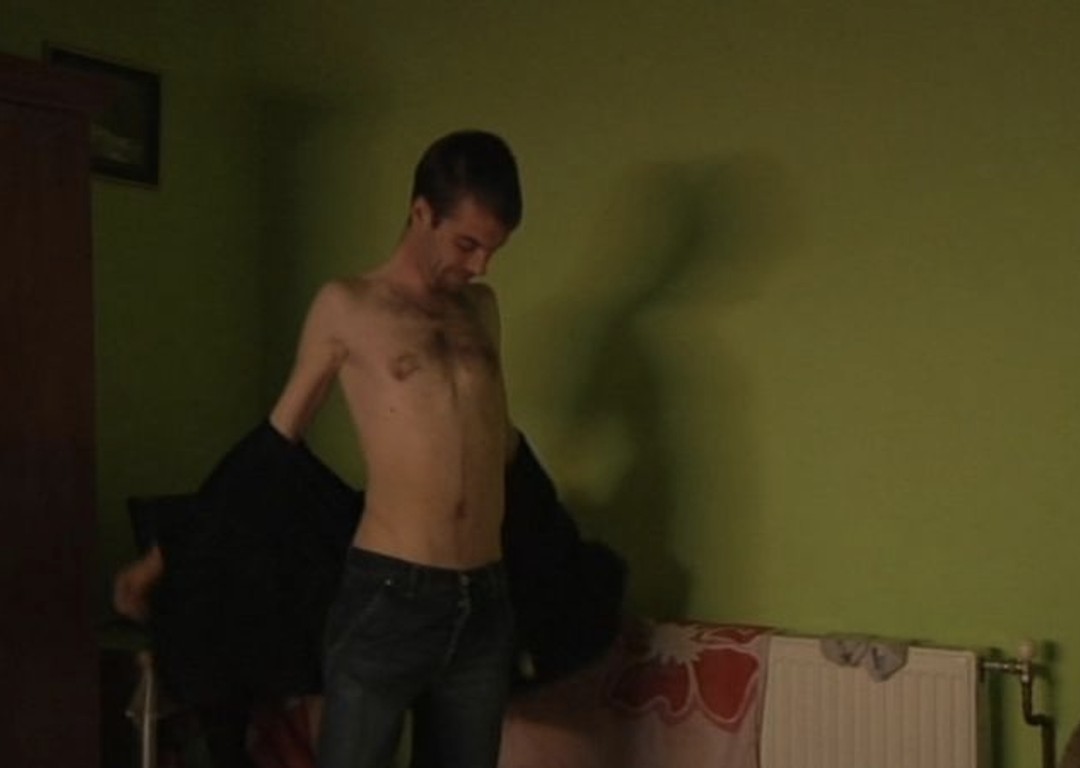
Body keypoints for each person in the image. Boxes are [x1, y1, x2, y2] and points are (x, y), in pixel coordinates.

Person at [269, 129, 524, 768]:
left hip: (485, 599)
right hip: (390, 595)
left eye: (493, 250)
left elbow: (500, 443)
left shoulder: (481, 309)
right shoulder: (348, 305)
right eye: (467, 244)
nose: (480, 266)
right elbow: (274, 446)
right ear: (421, 213)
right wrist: (168, 554)